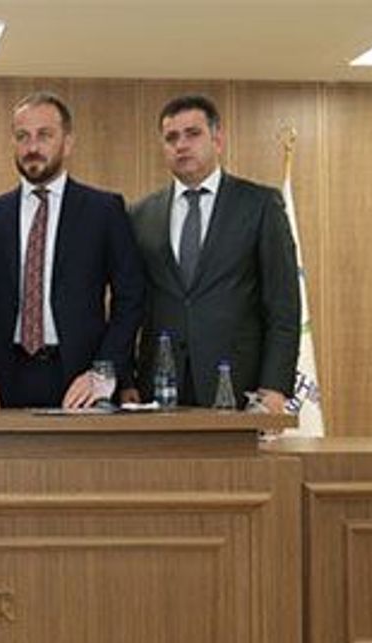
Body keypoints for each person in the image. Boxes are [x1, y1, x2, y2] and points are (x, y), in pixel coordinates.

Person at [0, 91, 144, 409]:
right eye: (23, 136)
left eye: (44, 135)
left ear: (67, 143)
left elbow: (131, 297)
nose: (32, 147)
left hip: (82, 381)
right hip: (1, 383)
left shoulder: (104, 211)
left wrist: (103, 372)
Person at [127, 94, 300, 412]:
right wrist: (126, 380)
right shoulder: (140, 215)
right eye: (171, 138)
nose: (181, 145)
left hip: (238, 385)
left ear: (217, 140)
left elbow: (283, 306)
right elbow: (129, 305)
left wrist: (275, 386)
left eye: (192, 134)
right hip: (159, 386)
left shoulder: (260, 205)